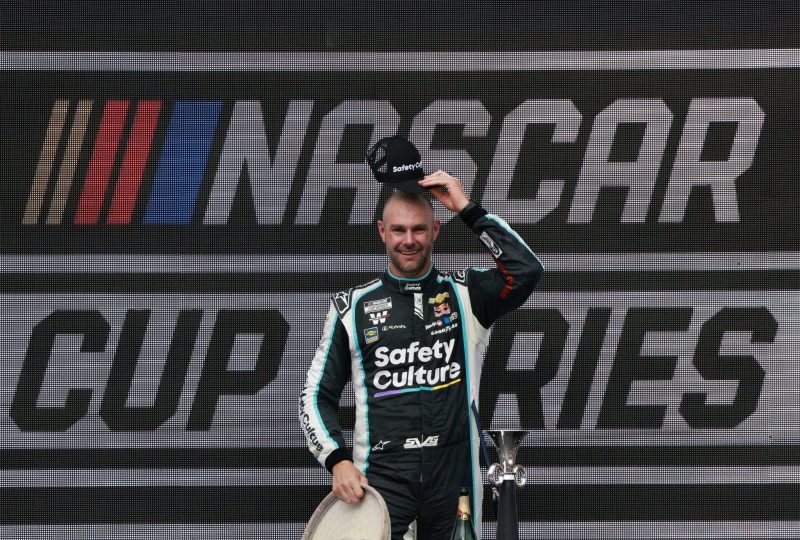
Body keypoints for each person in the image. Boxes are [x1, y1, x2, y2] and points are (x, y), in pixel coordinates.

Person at [299, 170, 543, 539]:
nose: (409, 240)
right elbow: (315, 396)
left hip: (454, 478)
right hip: (379, 481)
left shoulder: (467, 294)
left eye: (419, 229)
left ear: (436, 230)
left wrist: (467, 209)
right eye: (399, 230)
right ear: (382, 231)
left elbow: (526, 271)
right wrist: (337, 460)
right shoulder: (352, 308)